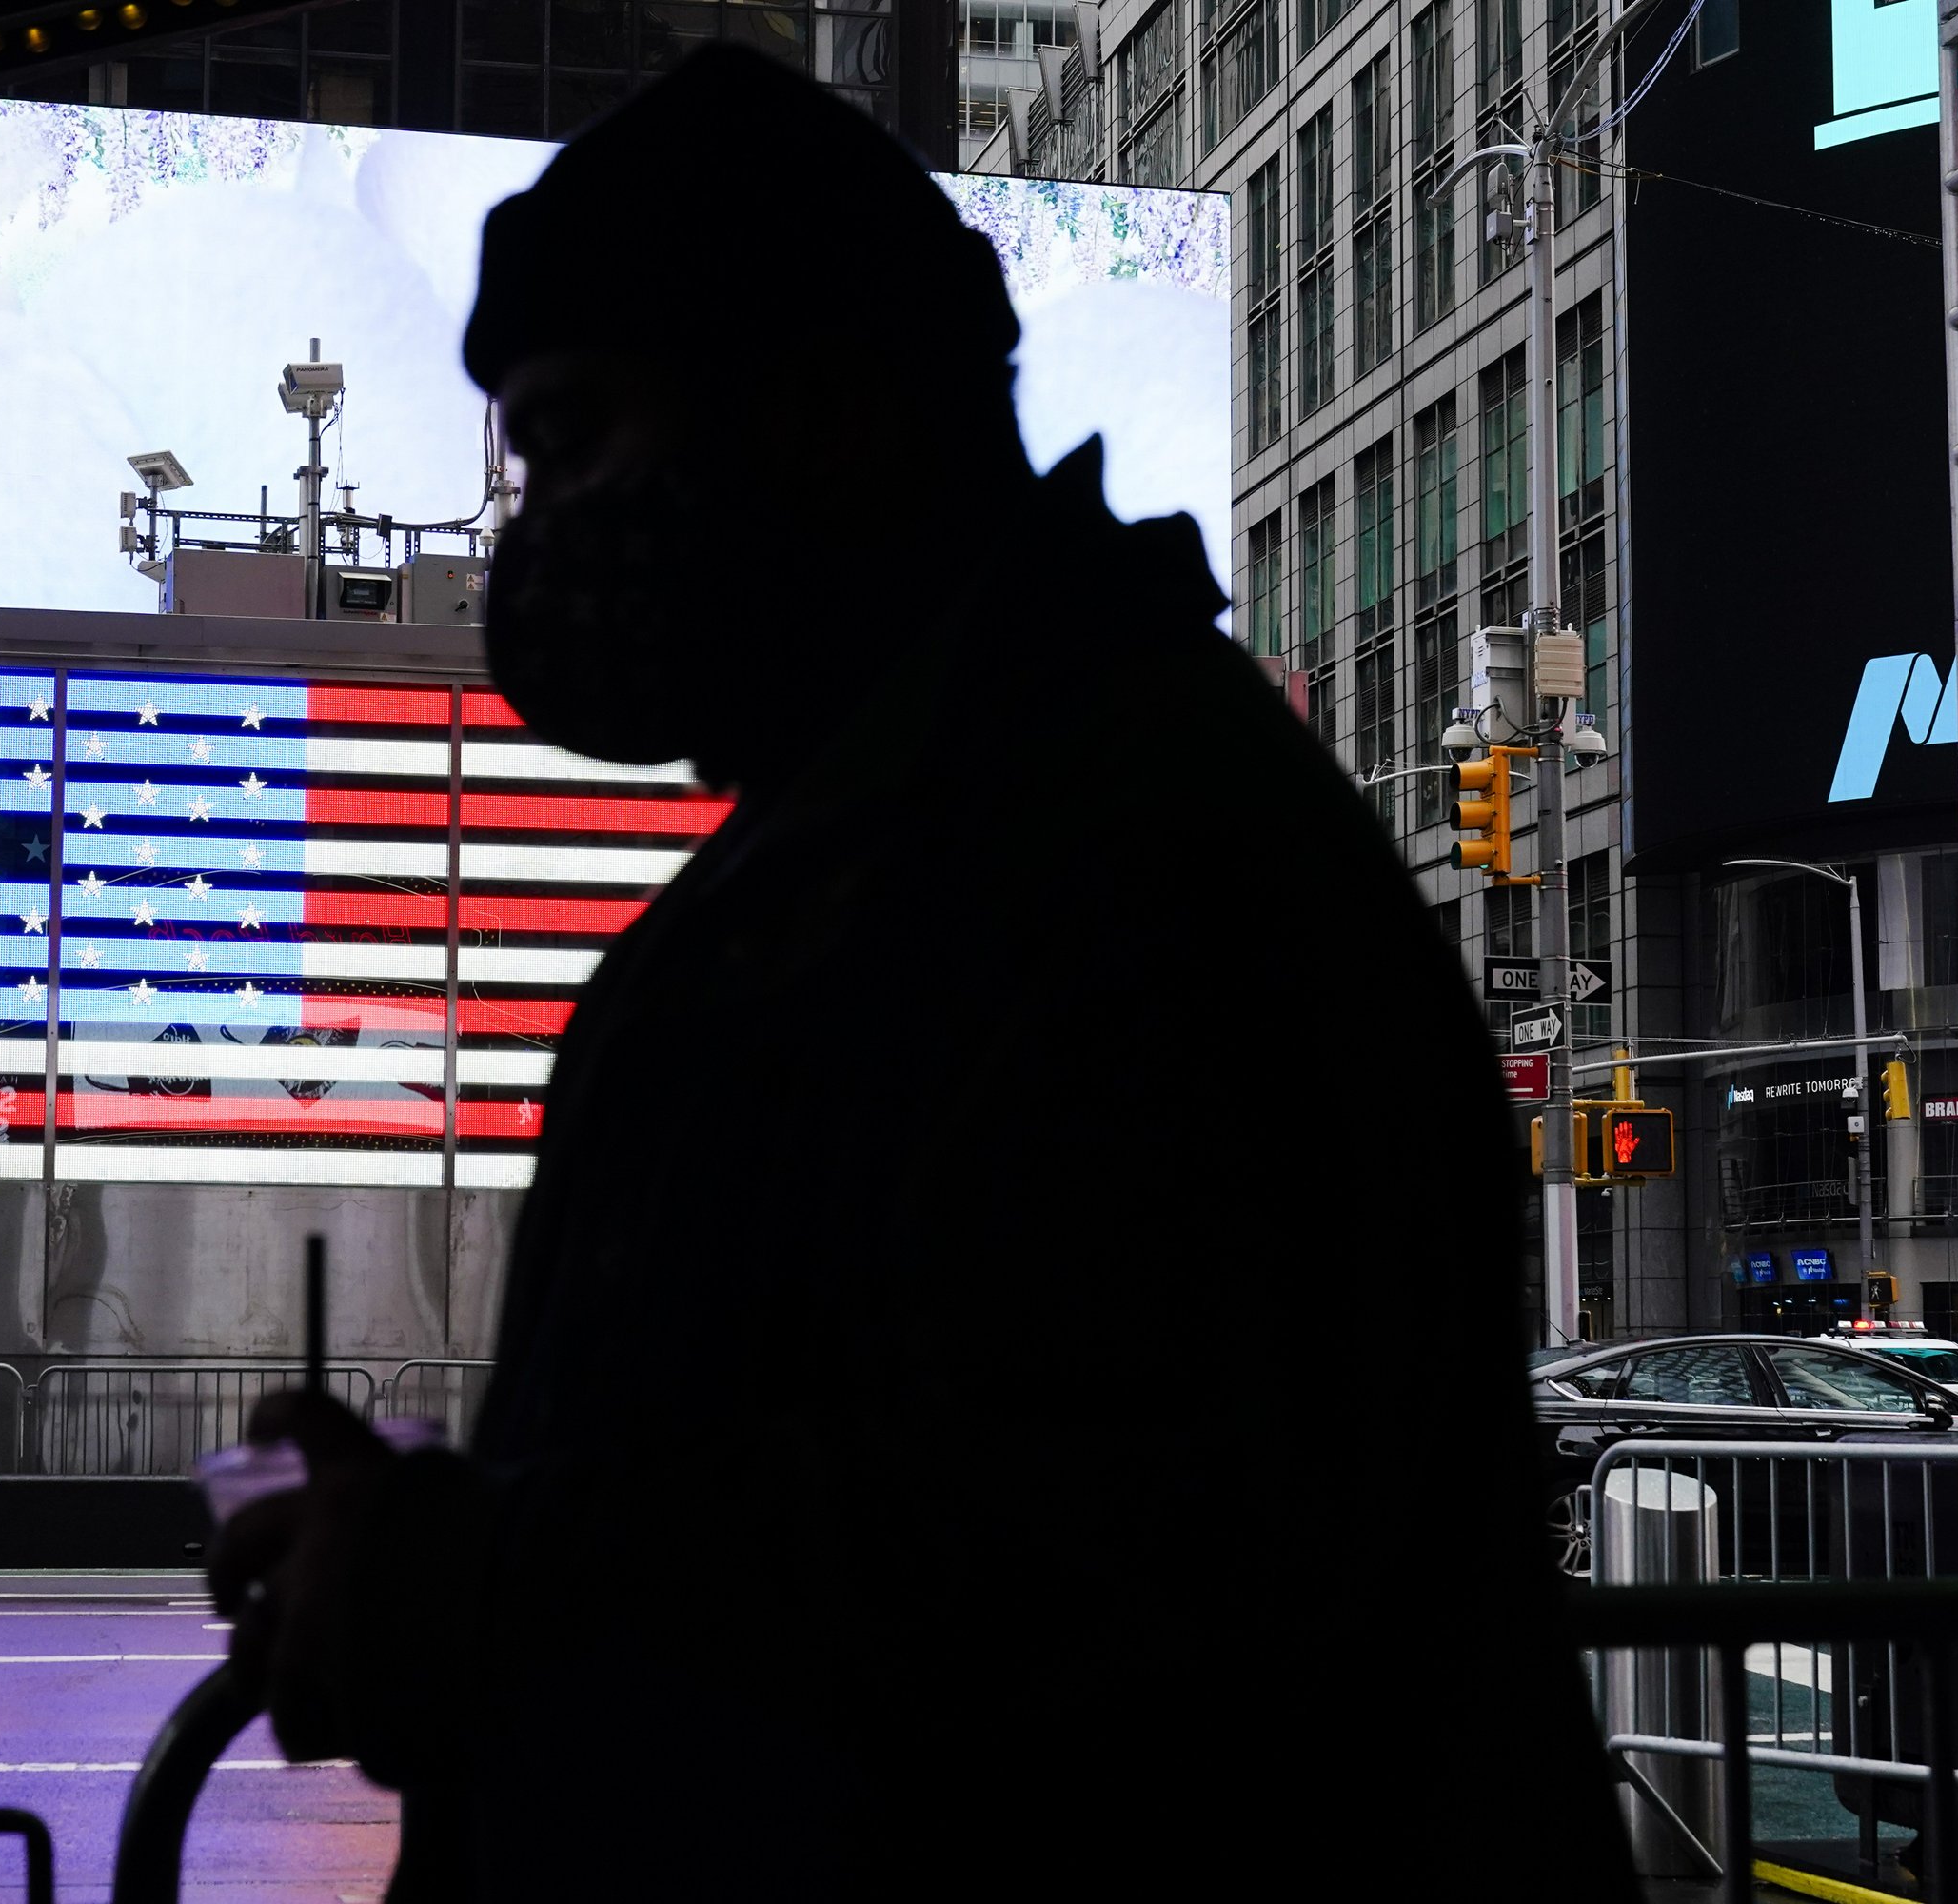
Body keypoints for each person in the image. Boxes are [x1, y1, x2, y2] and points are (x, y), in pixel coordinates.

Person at [211, 45, 1635, 1901]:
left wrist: (458, 1578)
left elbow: (1095, 1568)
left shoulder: (1090, 856)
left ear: (811, 414)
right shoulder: (997, 806)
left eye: (571, 439)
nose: (533, 534)